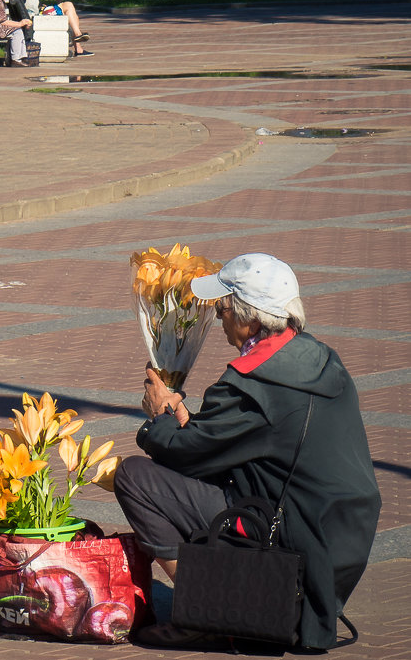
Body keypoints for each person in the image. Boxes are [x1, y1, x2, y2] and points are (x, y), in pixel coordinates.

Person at [113, 253, 381, 651]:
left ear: (251, 319)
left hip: (290, 533)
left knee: (134, 477)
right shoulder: (322, 360)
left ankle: (209, 611)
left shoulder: (251, 382)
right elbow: (249, 438)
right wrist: (189, 420)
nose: (219, 320)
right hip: (337, 536)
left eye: (222, 309)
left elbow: (181, 453)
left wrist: (160, 418)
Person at [13, 0, 93, 57]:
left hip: (39, 13)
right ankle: (78, 42)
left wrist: (40, 6)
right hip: (34, 17)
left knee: (71, 11)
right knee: (69, 7)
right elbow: (23, 5)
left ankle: (78, 41)